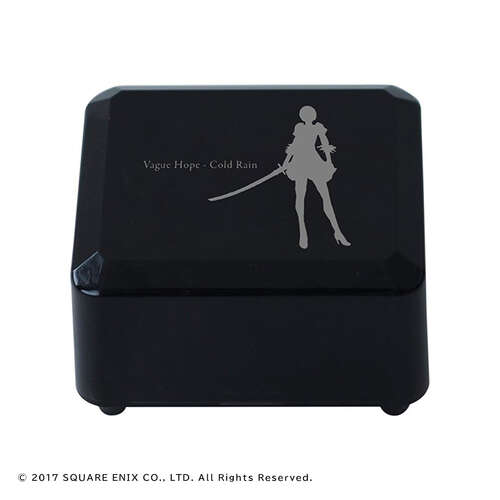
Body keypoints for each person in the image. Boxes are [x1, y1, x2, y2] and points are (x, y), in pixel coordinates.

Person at [284, 105, 350, 249]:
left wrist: (329, 161)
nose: (308, 116)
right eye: (306, 114)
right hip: (300, 162)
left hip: (313, 161)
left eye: (310, 114)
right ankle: (302, 231)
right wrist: (285, 163)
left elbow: (324, 143)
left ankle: (337, 232)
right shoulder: (299, 127)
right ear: (302, 116)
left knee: (325, 198)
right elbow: (295, 145)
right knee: (300, 197)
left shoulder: (318, 127)